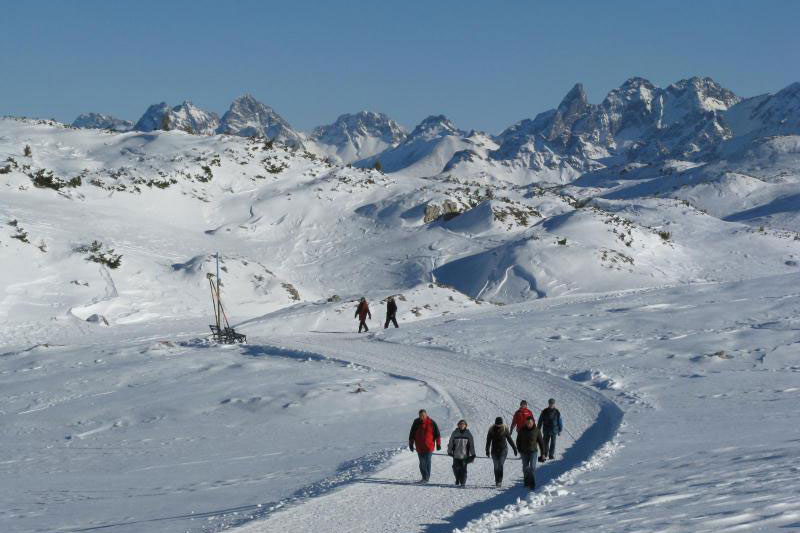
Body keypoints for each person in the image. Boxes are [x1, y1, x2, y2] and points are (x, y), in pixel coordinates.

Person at [408, 409, 441, 483]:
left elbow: (437, 434)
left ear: (426, 415)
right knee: (422, 464)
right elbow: (412, 434)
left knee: (427, 462)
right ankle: (425, 477)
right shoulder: (416, 422)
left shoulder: (431, 422)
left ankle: (425, 478)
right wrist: (411, 443)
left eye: (423, 415)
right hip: (419, 447)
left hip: (429, 447)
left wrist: (438, 444)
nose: (422, 417)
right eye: (420, 416)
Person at [485, 416, 518, 488]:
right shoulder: (491, 429)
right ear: (495, 423)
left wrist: (514, 448)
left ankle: (499, 481)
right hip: (494, 450)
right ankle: (497, 481)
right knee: (496, 466)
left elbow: (509, 439)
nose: (499, 426)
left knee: (500, 464)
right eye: (497, 424)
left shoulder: (505, 429)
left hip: (503, 449)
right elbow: (488, 441)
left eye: (500, 424)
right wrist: (487, 450)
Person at [516, 416, 546, 489]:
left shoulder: (537, 431)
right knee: (525, 468)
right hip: (524, 452)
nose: (529, 424)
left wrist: (543, 454)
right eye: (527, 422)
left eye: (530, 422)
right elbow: (518, 441)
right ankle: (526, 483)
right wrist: (519, 450)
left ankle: (532, 484)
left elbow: (541, 443)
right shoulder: (522, 430)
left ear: (533, 422)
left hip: (533, 452)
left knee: (532, 468)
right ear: (526, 423)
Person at [447, 419, 476, 487]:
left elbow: (471, 445)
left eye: (463, 424)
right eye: (460, 424)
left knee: (463, 470)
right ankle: (457, 478)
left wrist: (473, 454)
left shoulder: (468, 434)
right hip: (456, 455)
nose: (462, 425)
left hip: (464, 455)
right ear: (458, 425)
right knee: (455, 468)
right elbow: (451, 442)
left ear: (465, 425)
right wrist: (449, 451)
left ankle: (463, 482)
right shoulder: (454, 433)